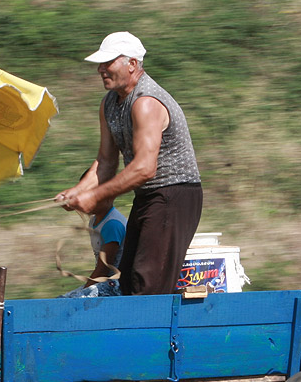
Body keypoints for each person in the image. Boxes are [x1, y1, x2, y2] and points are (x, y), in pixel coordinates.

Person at [54, 32, 203, 295]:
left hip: (175, 194)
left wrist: (95, 196)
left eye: (108, 62)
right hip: (148, 195)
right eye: (100, 64)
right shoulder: (109, 103)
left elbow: (145, 168)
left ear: (132, 64)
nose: (101, 69)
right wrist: (78, 192)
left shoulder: (146, 102)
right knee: (126, 279)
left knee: (147, 285)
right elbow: (105, 161)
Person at [61, 196, 126, 298]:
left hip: (115, 284)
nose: (86, 201)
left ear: (109, 197)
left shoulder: (112, 225)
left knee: (70, 303)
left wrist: (84, 290)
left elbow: (103, 270)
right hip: (102, 280)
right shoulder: (96, 219)